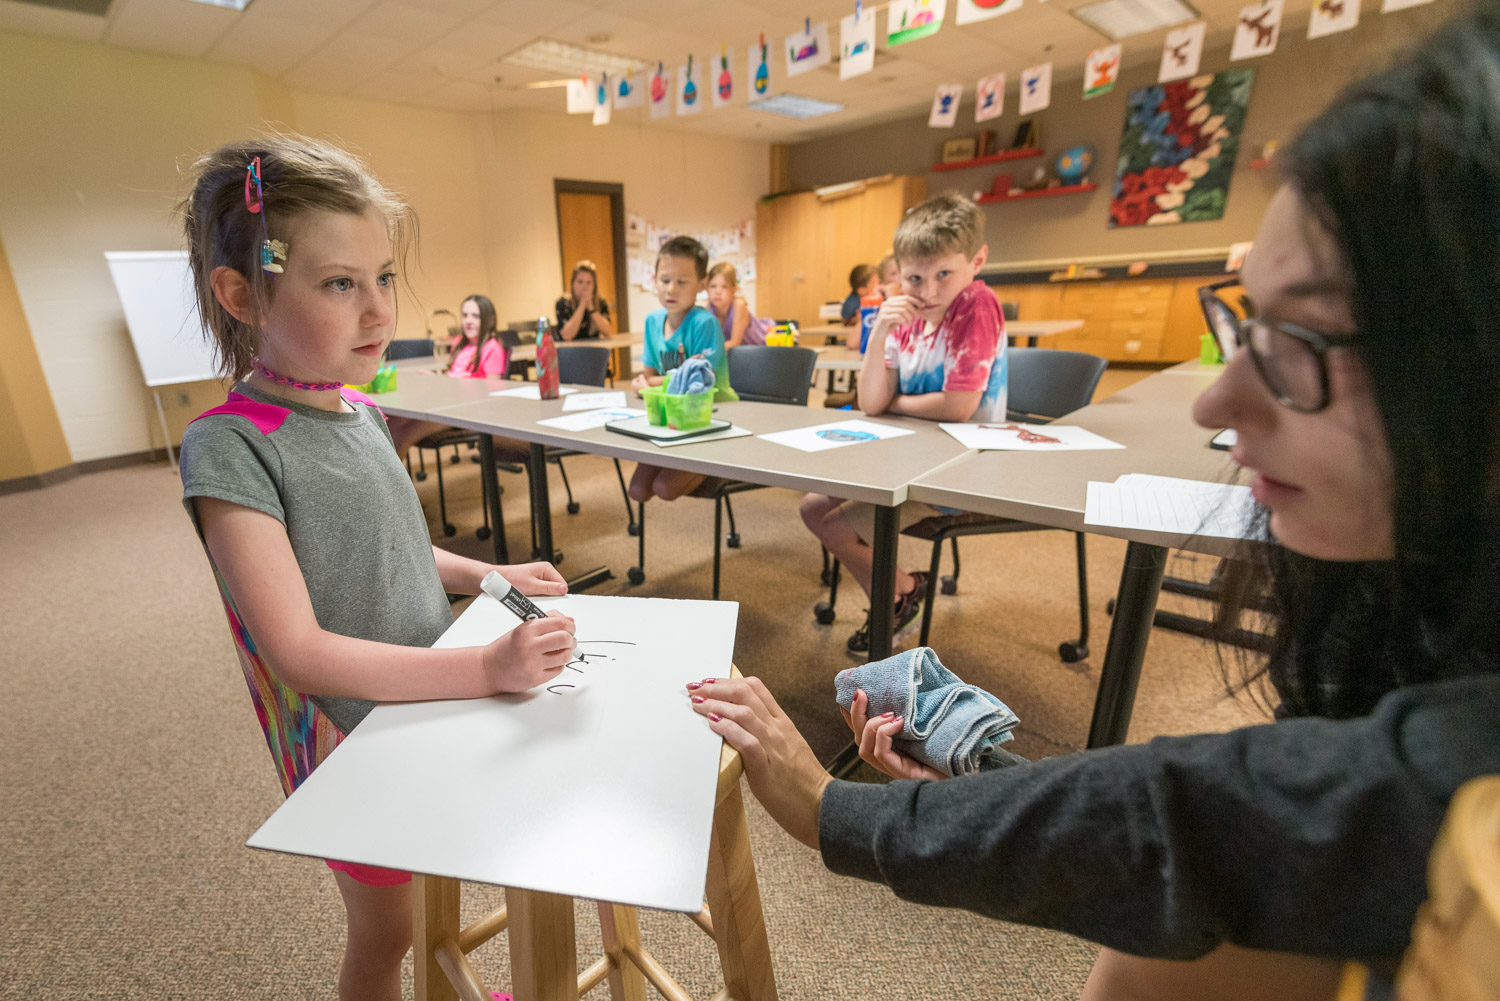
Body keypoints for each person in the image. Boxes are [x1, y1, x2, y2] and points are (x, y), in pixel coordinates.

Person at [685, 8, 1500, 999]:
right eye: (1244, 328)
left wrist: (831, 809)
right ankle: (892, 584)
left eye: (1303, 341)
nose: (1216, 398)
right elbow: (1272, 817)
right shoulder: (1405, 621)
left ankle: (892, 585)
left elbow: (1216, 816)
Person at [175, 135, 577, 1001]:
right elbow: (300, 650)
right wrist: (482, 666)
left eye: (383, 277)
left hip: (422, 697)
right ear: (242, 293)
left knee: (438, 867)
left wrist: (490, 575)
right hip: (350, 736)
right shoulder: (231, 447)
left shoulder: (358, 409)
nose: (378, 311)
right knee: (387, 930)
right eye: (338, 283)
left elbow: (390, 540)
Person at [802, 193, 1007, 654]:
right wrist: (879, 334)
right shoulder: (905, 313)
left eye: (943, 275)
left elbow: (958, 407)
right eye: (914, 277)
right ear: (899, 270)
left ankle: (895, 599)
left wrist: (898, 402)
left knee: (836, 527)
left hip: (961, 466)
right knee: (811, 507)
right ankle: (904, 590)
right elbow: (872, 403)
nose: (929, 292)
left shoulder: (976, 302)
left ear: (976, 261)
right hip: (904, 457)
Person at [627, 236, 739, 502]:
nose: (671, 290)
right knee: (638, 490)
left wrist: (649, 385)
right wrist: (648, 383)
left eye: (682, 282)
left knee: (665, 488)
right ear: (654, 279)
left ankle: (719, 466)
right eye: (665, 280)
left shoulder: (704, 323)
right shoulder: (652, 321)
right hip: (673, 419)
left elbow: (696, 384)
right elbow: (650, 375)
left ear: (701, 284)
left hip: (712, 418)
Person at [387, 293, 507, 457]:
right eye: (465, 315)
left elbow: (492, 393)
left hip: (466, 410)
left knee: (400, 436)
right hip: (447, 404)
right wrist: (437, 379)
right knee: (392, 424)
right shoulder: (459, 344)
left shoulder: (492, 348)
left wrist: (451, 383)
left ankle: (394, 482)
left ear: (489, 320)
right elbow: (454, 376)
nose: (468, 321)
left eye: (475, 316)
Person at [555, 259, 614, 341]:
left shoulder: (600, 302)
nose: (584, 287)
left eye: (588, 282)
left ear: (594, 286)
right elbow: (567, 335)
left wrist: (591, 307)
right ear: (573, 284)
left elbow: (608, 332)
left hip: (594, 351)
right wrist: (582, 305)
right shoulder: (563, 303)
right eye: (580, 282)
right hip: (570, 352)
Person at [706, 261, 760, 348]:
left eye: (724, 287)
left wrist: (707, 350)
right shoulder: (708, 309)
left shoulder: (739, 305)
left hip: (762, 347)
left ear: (733, 290)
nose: (718, 292)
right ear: (706, 288)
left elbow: (735, 342)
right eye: (713, 286)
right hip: (735, 354)